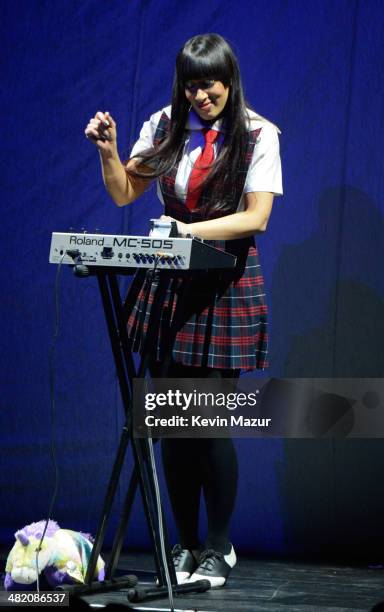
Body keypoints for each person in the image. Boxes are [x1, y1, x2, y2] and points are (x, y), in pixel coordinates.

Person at [85, 33, 283, 588]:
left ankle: (220, 546)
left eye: (210, 84)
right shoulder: (164, 125)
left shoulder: (258, 134)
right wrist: (108, 152)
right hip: (170, 285)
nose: (201, 95)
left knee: (209, 424)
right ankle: (187, 544)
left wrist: (187, 233)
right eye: (192, 84)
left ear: (229, 81)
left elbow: (256, 217)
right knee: (173, 422)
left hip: (223, 285)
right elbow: (126, 192)